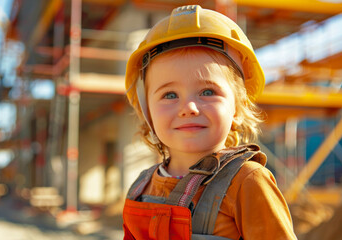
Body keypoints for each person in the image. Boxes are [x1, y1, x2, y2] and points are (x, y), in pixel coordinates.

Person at [122, 5, 297, 240]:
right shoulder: (141, 188)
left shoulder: (247, 182)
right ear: (148, 112)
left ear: (237, 107)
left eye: (207, 91)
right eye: (170, 95)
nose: (189, 108)